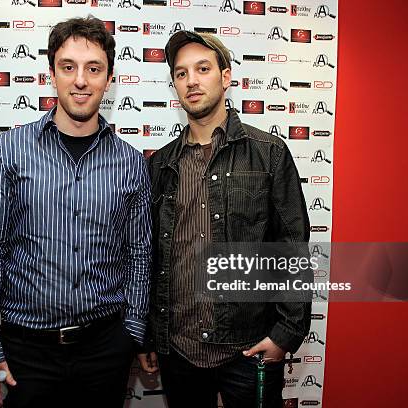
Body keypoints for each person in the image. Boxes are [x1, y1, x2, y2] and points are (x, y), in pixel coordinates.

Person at [0, 17, 151, 408]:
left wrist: (131, 330)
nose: (80, 80)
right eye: (68, 67)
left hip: (105, 350)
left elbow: (140, 254)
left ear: (109, 78)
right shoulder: (9, 151)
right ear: (52, 73)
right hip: (25, 353)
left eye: (93, 68)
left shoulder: (131, 163)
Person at [137, 31, 311, 408]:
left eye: (202, 69)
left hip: (248, 350)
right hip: (178, 351)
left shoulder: (269, 154)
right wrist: (150, 336)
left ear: (226, 77)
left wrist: (285, 333)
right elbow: (151, 258)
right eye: (181, 74)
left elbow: (292, 248)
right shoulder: (160, 165)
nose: (192, 81)